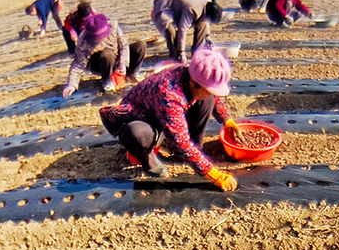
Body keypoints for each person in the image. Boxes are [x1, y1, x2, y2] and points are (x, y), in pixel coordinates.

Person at [99, 47, 241, 192]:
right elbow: (180, 140)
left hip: (165, 117)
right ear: (194, 83)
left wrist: (227, 120)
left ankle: (193, 151)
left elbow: (213, 97)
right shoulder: (169, 95)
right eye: (208, 90)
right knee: (137, 134)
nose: (209, 93)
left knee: (207, 100)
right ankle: (147, 159)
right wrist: (213, 174)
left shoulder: (190, 74)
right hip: (143, 119)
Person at [61, 2, 147, 95]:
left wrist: (123, 64)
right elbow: (78, 64)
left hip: (116, 57)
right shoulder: (84, 38)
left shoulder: (113, 25)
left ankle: (131, 74)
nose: (101, 38)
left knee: (140, 45)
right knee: (107, 53)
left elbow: (124, 46)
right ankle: (107, 80)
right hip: (100, 63)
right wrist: (72, 84)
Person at [152, 0, 222, 64]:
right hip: (165, 5)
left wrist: (207, 37)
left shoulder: (209, 5)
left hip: (179, 6)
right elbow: (182, 29)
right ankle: (175, 58)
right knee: (171, 31)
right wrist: (181, 52)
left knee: (203, 24)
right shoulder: (192, 9)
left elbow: (206, 21)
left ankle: (198, 53)